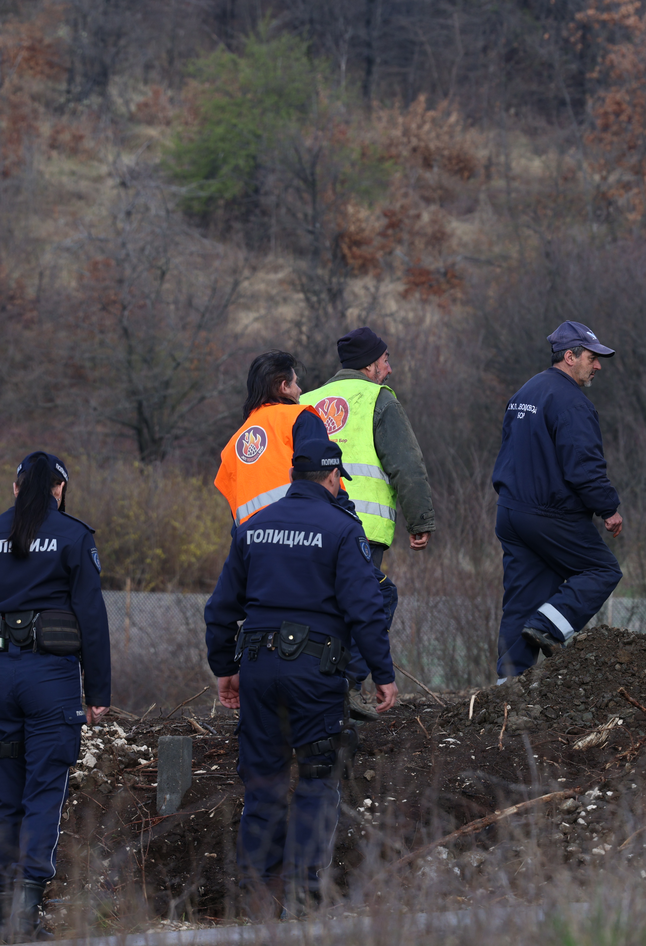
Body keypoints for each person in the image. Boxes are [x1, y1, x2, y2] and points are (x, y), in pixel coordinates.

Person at [204, 428, 397, 917]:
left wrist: (225, 668)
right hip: (315, 672)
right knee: (316, 777)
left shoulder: (253, 527)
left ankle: (257, 901)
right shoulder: (341, 528)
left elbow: (220, 609)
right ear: (332, 477)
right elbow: (365, 608)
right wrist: (382, 673)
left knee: (264, 780)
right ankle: (303, 897)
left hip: (259, 668)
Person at [0, 452, 111, 943]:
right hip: (49, 682)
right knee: (42, 793)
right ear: (59, 489)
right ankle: (26, 915)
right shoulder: (75, 536)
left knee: (5, 796)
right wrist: (97, 690)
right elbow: (91, 618)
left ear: (16, 489)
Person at [301, 328, 434, 702]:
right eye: (386, 360)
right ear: (371, 364)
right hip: (362, 530)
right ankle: (349, 690)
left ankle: (316, 690)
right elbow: (406, 465)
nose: (389, 370)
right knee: (365, 605)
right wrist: (420, 520)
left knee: (319, 610)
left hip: (308, 527)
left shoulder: (306, 400)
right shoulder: (379, 398)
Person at [490, 321, 624, 679]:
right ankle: (549, 628)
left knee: (521, 600)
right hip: (549, 513)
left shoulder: (525, 393)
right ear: (570, 356)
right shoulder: (571, 402)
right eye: (593, 358)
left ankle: (508, 687)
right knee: (602, 570)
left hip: (511, 512)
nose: (598, 366)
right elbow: (583, 465)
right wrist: (607, 507)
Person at [214, 351, 329, 526]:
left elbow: (235, 516)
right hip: (302, 534)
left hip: (254, 545)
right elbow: (324, 479)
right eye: (296, 383)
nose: (300, 390)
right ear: (284, 387)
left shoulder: (231, 447)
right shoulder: (301, 418)